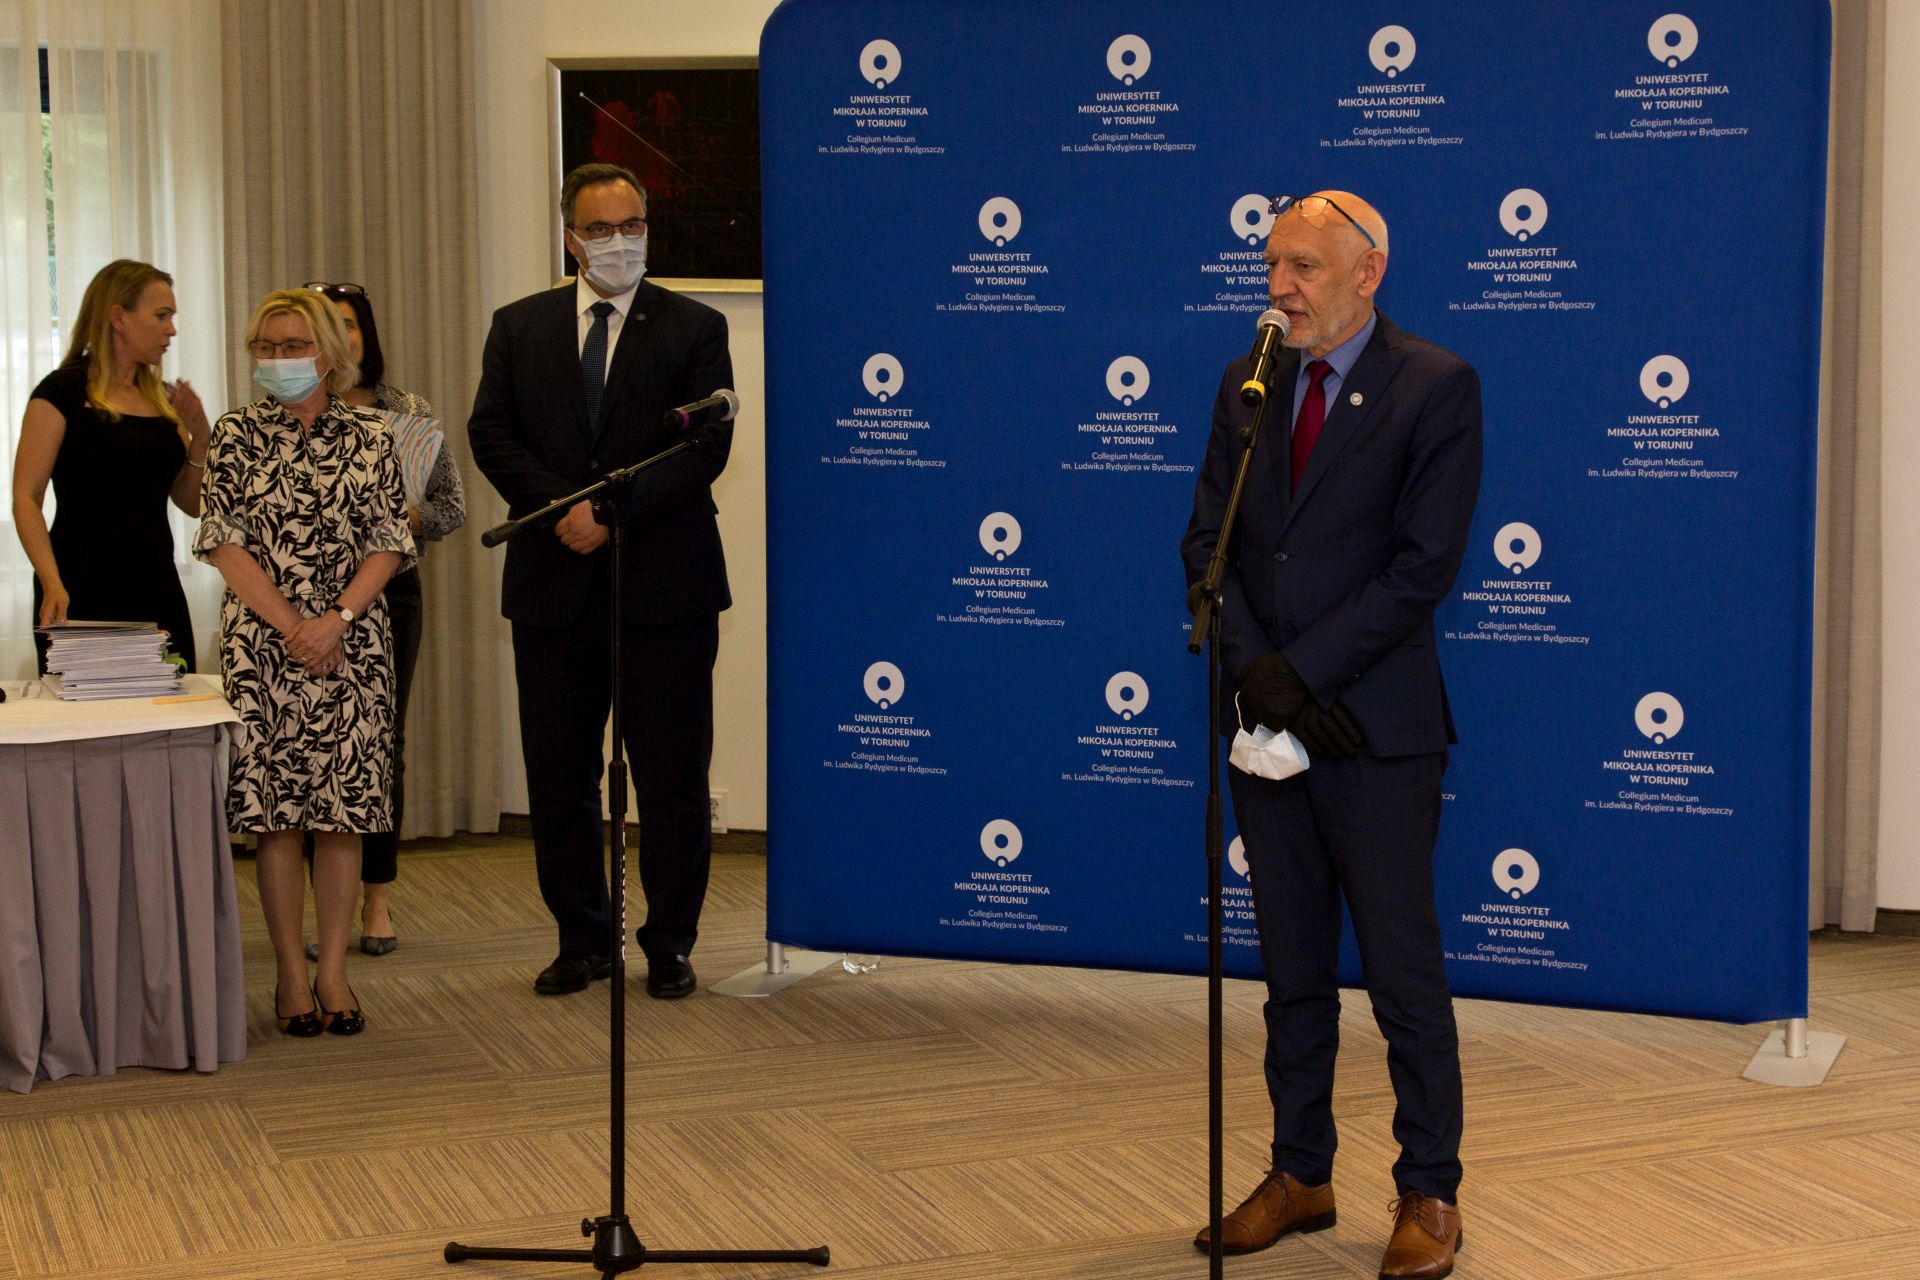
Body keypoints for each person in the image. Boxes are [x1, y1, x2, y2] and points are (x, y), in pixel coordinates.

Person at [1181, 191, 1481, 1279]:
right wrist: (1262, 675)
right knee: (1293, 972)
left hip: (1375, 731)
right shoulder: (1247, 382)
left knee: (1403, 974)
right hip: (1270, 727)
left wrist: (1299, 674)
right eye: (1273, 264)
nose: (1280, 287)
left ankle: (1430, 1188)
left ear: (1369, 272)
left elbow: (1421, 566)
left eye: (1304, 266)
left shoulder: (1435, 384)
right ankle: (1300, 1171)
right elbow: (1208, 541)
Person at [468, 162, 732, 1000]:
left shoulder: (695, 326)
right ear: (570, 238)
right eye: (601, 228)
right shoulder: (519, 326)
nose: (620, 242)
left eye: (633, 226)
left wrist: (613, 516)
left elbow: (706, 446)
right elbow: (491, 434)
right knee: (560, 777)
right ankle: (583, 939)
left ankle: (670, 943)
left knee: (672, 779)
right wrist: (566, 511)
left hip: (666, 588)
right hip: (553, 586)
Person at [194, 289, 415, 1038]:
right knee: (278, 817)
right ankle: (291, 973)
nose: (277, 358)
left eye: (292, 346)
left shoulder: (372, 435)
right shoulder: (235, 433)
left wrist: (336, 621)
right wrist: (296, 627)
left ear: (327, 352)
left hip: (354, 645)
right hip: (265, 648)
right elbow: (223, 541)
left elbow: (390, 539)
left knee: (345, 814)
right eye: (265, 346)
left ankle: (334, 973)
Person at [302, 281, 467, 956]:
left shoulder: (408, 412)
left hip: (391, 595)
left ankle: (376, 899)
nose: (339, 338)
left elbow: (451, 506)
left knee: (378, 747)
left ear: (365, 334)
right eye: (324, 326)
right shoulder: (288, 412)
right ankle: (326, 912)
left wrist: (393, 521)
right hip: (305, 601)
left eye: (348, 325)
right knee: (313, 749)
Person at [12, 259, 212, 671]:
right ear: (118, 318)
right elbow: (26, 497)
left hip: (156, 585)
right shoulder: (61, 392)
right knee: (87, 704)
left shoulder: (163, 399)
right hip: (76, 585)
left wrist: (201, 437)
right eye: (162, 316)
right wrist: (51, 581)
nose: (171, 330)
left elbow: (192, 504)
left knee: (169, 703)